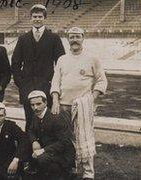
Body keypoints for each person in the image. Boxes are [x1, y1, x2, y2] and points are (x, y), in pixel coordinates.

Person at [50, 27, 108, 180]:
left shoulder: (92, 58)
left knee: (85, 137)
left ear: (83, 38)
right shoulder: (62, 59)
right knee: (67, 138)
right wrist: (55, 100)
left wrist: (91, 98)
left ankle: (88, 172)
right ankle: (73, 167)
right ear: (67, 39)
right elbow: (56, 82)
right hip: (64, 105)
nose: (74, 39)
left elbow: (102, 80)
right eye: (71, 37)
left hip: (83, 106)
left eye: (77, 36)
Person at [11, 4, 65, 130]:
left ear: (44, 18)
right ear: (30, 18)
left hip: (46, 85)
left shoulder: (54, 38)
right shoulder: (23, 39)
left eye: (40, 16)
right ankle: (29, 146)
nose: (37, 19)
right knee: (29, 120)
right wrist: (21, 83)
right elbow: (15, 63)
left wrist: (54, 83)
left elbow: (61, 63)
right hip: (27, 86)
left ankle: (46, 147)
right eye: (34, 16)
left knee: (47, 119)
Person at [26, 90, 75, 180]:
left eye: (38, 104)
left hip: (62, 154)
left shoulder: (56, 118)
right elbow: (31, 130)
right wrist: (34, 141)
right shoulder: (35, 115)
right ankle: (39, 171)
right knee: (25, 145)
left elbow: (64, 143)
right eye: (32, 105)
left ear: (46, 103)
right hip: (48, 149)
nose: (35, 107)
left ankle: (63, 173)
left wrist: (43, 150)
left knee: (42, 158)